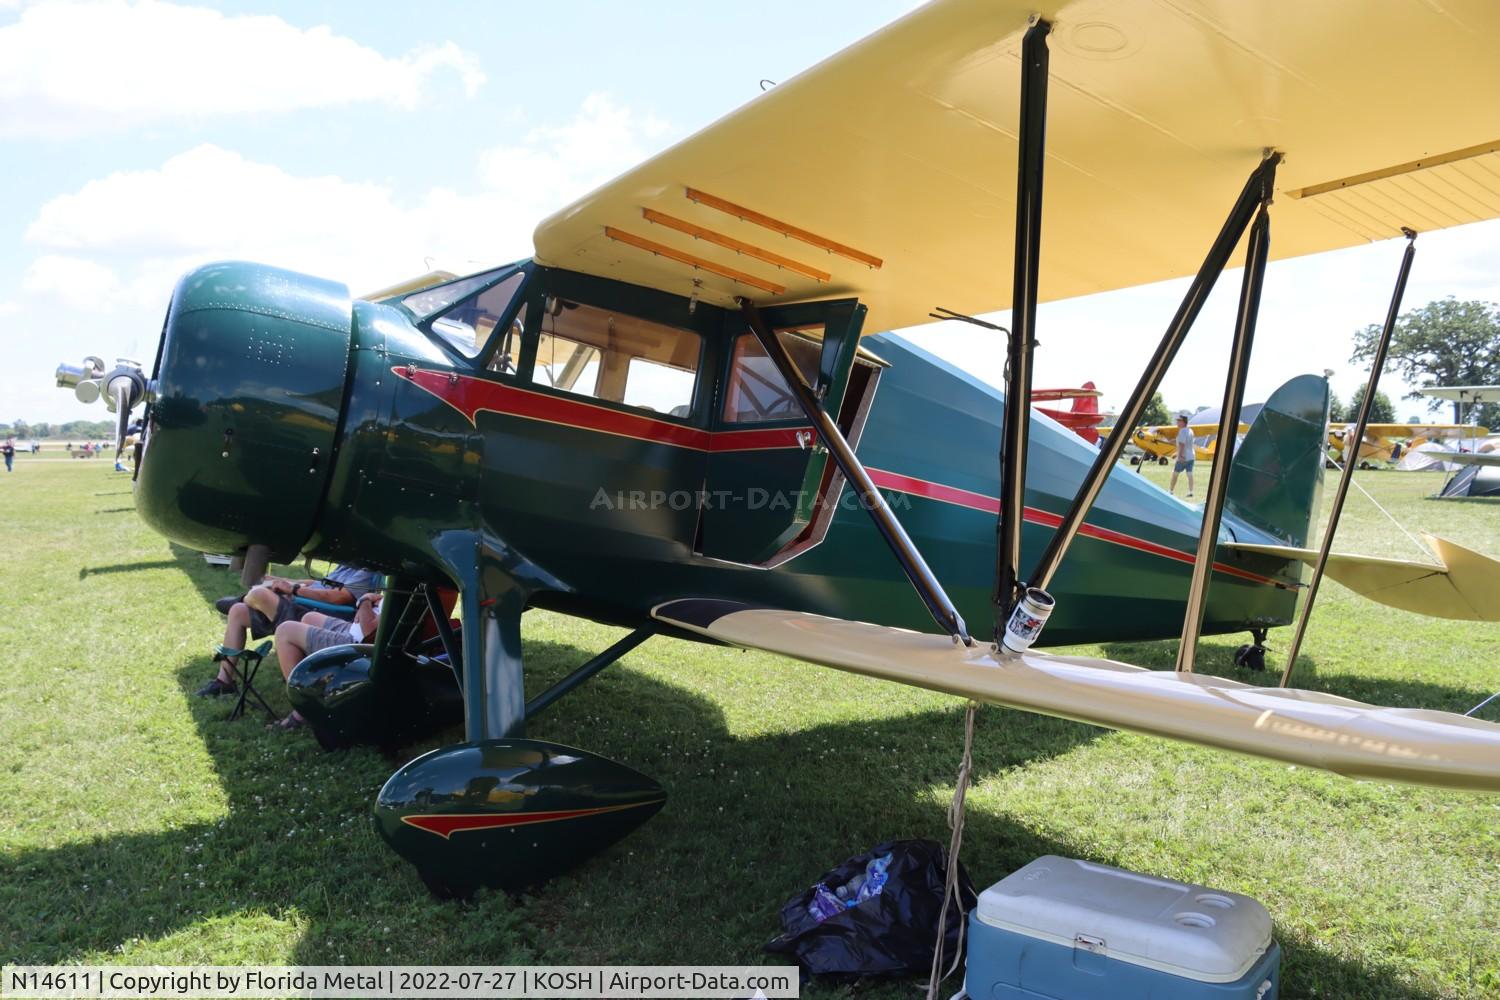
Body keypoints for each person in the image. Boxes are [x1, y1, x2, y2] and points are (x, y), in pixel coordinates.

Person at [197, 563, 376, 697]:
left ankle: (244, 598)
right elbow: (319, 583)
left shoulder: (367, 569)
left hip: (317, 612)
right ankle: (224, 681)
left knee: (259, 594)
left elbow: (339, 597)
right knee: (238, 612)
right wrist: (285, 582)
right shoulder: (349, 563)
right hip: (301, 603)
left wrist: (294, 590)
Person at [268, 592, 383, 731]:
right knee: (309, 617)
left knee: (285, 631)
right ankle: (314, 688)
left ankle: (304, 707)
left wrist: (365, 601)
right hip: (355, 630)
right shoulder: (408, 587)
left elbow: (369, 632)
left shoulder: (406, 594)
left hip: (358, 646)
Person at [1169, 414, 1195, 498]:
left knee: (1175, 473)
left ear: (1184, 422)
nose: (1177, 422)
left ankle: (1170, 491)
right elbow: (1186, 443)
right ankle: (1191, 491)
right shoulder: (1190, 430)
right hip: (1191, 456)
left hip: (1183, 457)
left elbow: (1182, 444)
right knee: (1189, 473)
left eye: (1179, 421)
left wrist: (1180, 455)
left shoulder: (1182, 431)